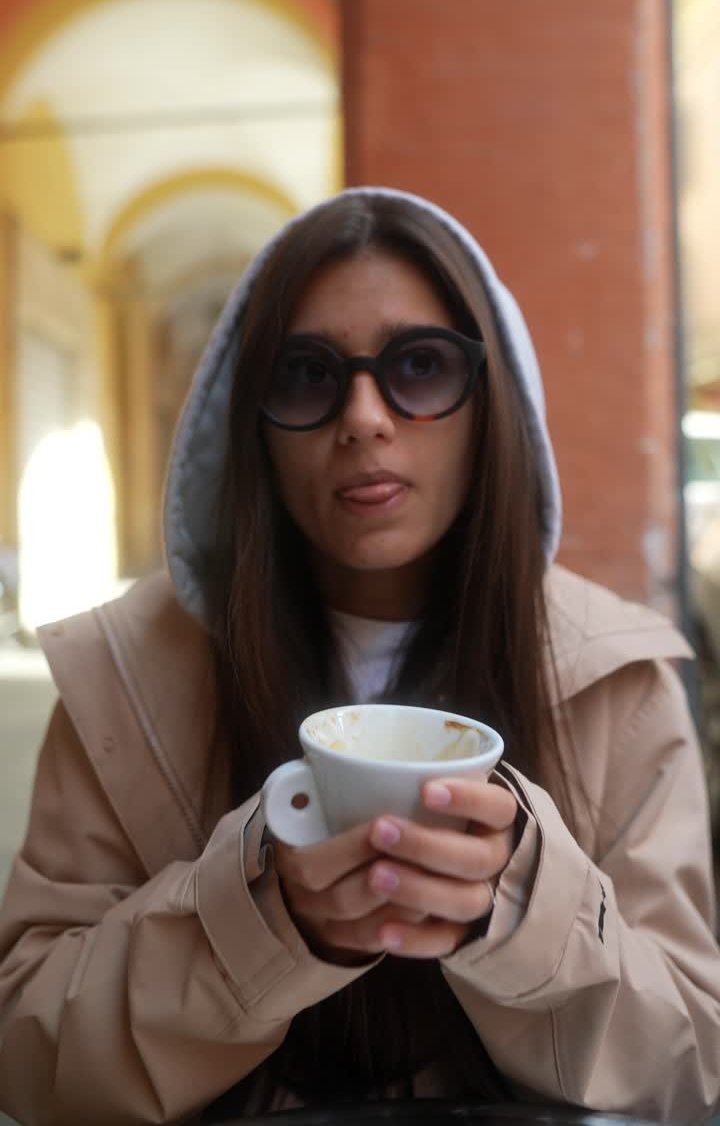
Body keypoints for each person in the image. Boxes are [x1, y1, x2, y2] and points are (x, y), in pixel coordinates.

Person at [0, 187, 718, 1126]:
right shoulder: (120, 678)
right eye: (307, 374)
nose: (366, 416)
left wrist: (518, 903)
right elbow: (30, 1053)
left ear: (491, 402)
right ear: (251, 423)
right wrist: (257, 919)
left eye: (420, 366)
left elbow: (689, 1067)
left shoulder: (617, 681)